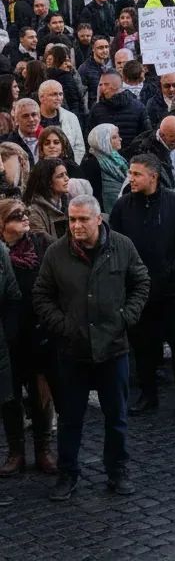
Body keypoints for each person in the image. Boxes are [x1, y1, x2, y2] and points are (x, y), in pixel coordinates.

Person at [32, 194, 150, 501]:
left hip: (114, 348)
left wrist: (127, 317)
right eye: (72, 219)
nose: (76, 225)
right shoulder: (57, 253)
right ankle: (67, 474)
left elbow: (141, 282)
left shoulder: (121, 247)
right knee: (71, 418)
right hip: (73, 351)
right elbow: (42, 295)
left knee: (117, 416)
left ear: (99, 219)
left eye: (83, 219)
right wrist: (64, 327)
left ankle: (117, 471)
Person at [109, 154, 175, 421]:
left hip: (170, 288)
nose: (131, 178)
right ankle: (148, 395)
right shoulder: (123, 206)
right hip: (137, 289)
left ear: (153, 176)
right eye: (130, 173)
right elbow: (113, 242)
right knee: (143, 344)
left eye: (137, 174)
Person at [0, 199, 55, 477]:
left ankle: (43, 449)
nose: (24, 218)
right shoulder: (1, 253)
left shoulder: (41, 243)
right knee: (9, 396)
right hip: (8, 335)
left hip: (38, 330)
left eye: (24, 213)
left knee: (40, 392)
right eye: (15, 215)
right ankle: (16, 451)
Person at [24, 157, 72, 240]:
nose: (67, 178)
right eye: (60, 176)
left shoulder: (69, 203)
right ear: (48, 181)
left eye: (66, 174)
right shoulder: (34, 211)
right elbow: (41, 244)